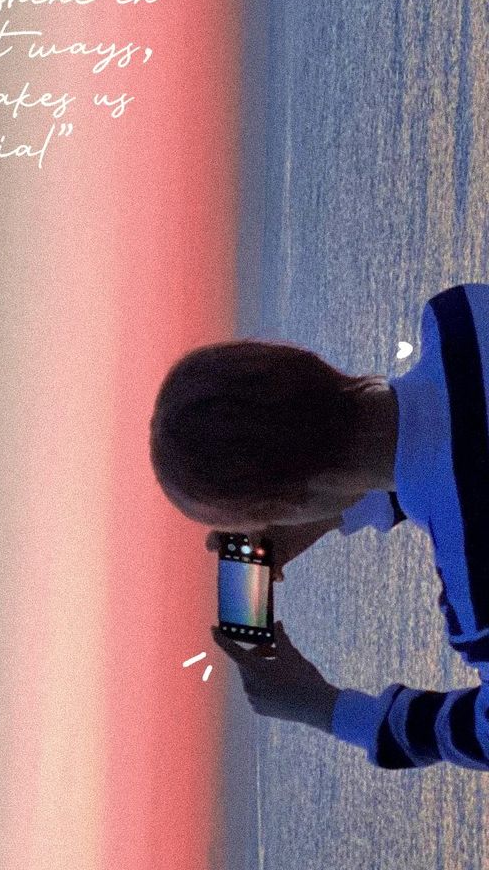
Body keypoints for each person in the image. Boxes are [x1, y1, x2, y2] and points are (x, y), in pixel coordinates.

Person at [148, 283, 489, 771]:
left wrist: (325, 707)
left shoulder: (476, 575)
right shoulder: (457, 316)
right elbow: (451, 453)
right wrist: (329, 512)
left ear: (287, 502)